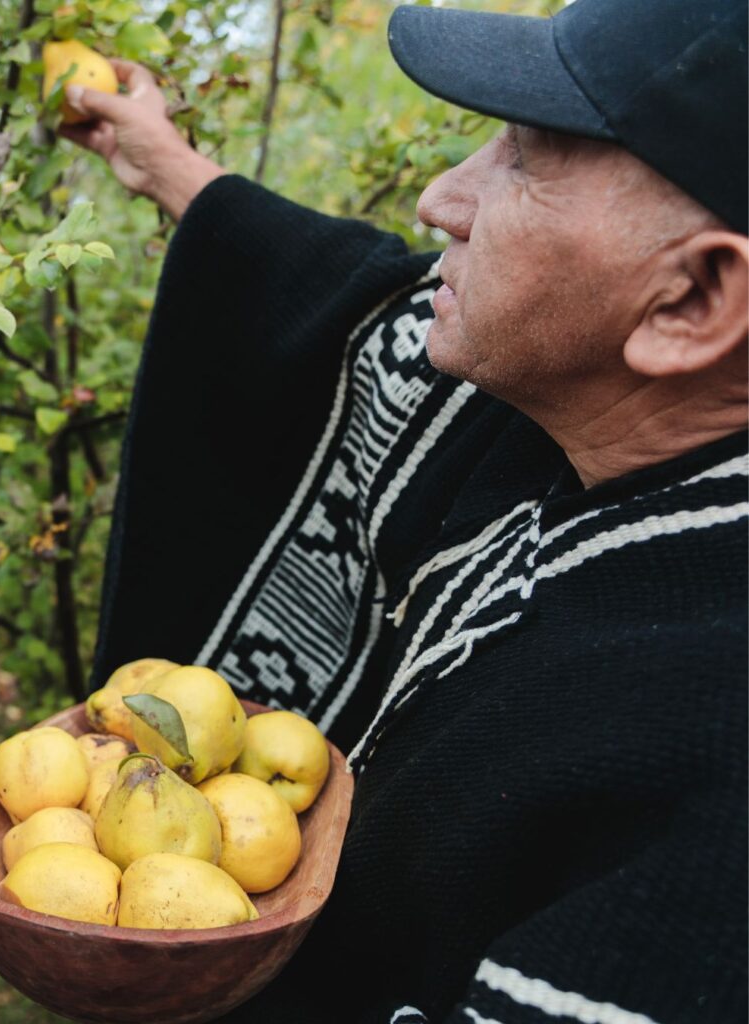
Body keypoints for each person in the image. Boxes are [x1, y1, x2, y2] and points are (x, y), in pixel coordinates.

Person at [63, 0, 747, 1019]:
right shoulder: (564, 412)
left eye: (524, 157)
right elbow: (351, 300)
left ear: (693, 301)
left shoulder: (713, 811)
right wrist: (161, 157)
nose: (439, 199)